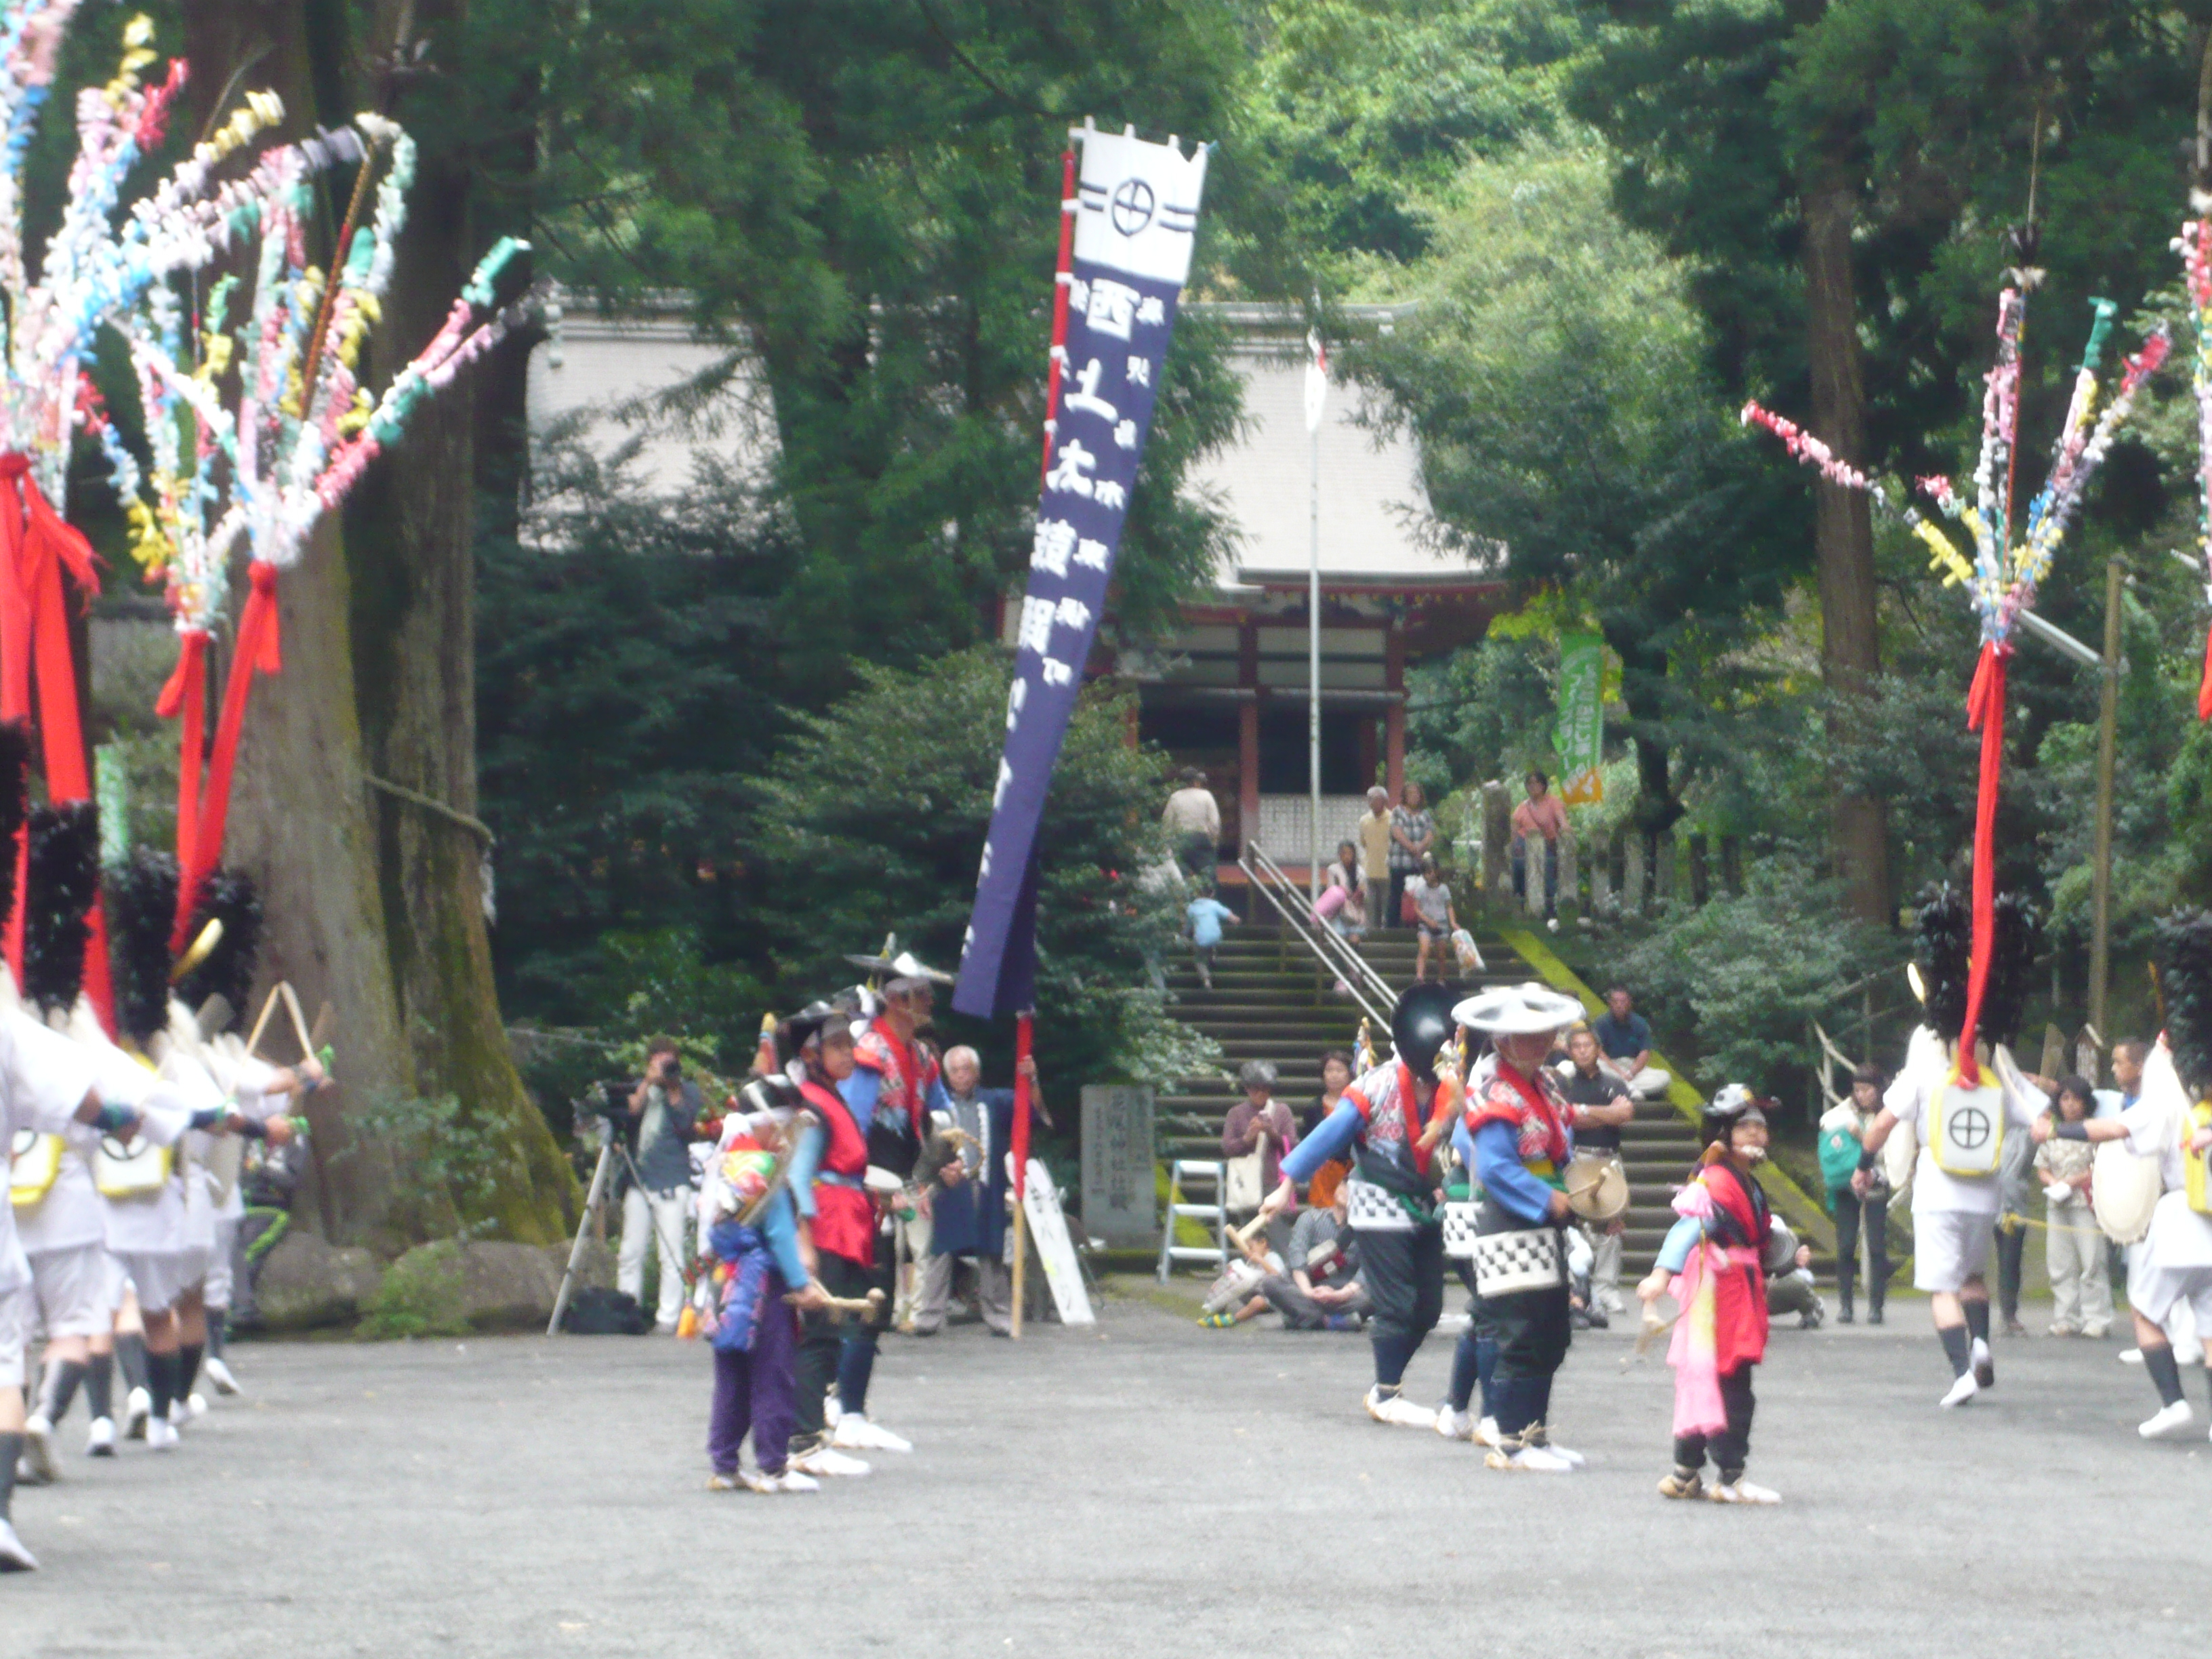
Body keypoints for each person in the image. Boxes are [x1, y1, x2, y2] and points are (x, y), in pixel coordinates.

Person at [1853, 887, 2047, 1409]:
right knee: (1974, 1276)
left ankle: (1962, 1370)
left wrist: (1865, 1165)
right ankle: (1983, 1342)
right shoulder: (1997, 1072)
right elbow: (2041, 1117)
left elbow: (1880, 1126)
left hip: (1938, 1189)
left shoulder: (1922, 1072)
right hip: (1985, 1192)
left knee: (1942, 1289)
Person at [1261, 983, 1462, 1428]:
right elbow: (1330, 1135)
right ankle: (1387, 1392)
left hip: (1427, 1202)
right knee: (1396, 1304)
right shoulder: (1377, 1082)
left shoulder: (1454, 1086)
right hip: (1377, 1200)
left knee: (1428, 1308)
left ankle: (1385, 1384)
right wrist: (1286, 1183)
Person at [2036, 1033, 2212, 1439]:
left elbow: (2113, 1129)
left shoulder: (2164, 1102)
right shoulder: (2202, 1108)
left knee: (2145, 1312)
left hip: (2182, 1216)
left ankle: (2173, 1402)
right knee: (2209, 1326)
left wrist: (2056, 1131)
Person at [1448, 981, 1591, 1472]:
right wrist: (1546, 1198)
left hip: (1548, 1218)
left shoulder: (1548, 1084)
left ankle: (1536, 1435)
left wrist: (1592, 1197)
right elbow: (1495, 1168)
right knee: (1518, 1333)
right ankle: (1510, 1442)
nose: (1541, 1040)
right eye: (1526, 1034)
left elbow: (1562, 1151)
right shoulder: (1493, 1089)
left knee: (1550, 1332)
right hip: (1510, 1221)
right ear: (1503, 1040)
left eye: (1545, 1032)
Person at [1640, 1086, 1805, 1504]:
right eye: (1745, 1127)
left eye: (1759, 1128)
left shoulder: (1743, 1180)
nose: (1755, 1135)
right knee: (1731, 1382)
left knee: (1707, 1376)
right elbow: (1686, 1231)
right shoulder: (1715, 1181)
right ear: (1725, 1132)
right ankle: (1730, 1477)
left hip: (1735, 1286)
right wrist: (1661, 1274)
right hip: (1722, 1293)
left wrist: (1784, 1252)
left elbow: (1758, 1238)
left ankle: (1685, 1472)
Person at [699, 1077, 830, 1494]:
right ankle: (772, 1467)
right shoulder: (763, 1171)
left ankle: (724, 1464)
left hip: (726, 1283)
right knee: (772, 1374)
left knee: (732, 1376)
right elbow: (778, 1234)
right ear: (769, 1126)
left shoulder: (727, 1162)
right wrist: (802, 1283)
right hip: (763, 1286)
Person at [834, 972, 943, 1453]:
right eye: (923, 995)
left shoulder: (922, 1058)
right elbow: (850, 1133)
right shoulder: (870, 1054)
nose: (931, 1002)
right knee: (868, 1296)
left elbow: (932, 1124)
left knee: (879, 1296)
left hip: (901, 1181)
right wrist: (881, 1190)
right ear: (898, 1002)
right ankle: (846, 1409)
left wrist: (947, 1163)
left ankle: (846, 1404)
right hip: (864, 1191)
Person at [781, 1004, 882, 1481]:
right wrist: (804, 1246)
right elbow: (798, 1178)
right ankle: (803, 1442)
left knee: (830, 1332)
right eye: (838, 1046)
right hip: (825, 1225)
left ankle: (809, 1435)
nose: (849, 1053)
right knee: (818, 1332)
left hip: (843, 1218)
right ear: (813, 1053)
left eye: (849, 1044)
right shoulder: (812, 1103)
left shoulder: (827, 1096)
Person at [914, 1046, 1021, 1337]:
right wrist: (926, 1185)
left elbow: (1027, 1107)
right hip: (947, 1185)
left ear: (977, 1072)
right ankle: (929, 1316)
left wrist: (1030, 1079)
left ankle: (999, 1316)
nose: (961, 1076)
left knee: (991, 1252)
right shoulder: (938, 1107)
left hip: (985, 1185)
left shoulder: (994, 1100)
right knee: (940, 1251)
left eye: (966, 1069)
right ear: (947, 1076)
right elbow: (923, 1151)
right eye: (955, 1070)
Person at [619, 1040, 701, 1332]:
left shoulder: (688, 1091)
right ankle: (627, 1313)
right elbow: (629, 1114)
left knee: (671, 1253)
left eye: (670, 1063)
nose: (665, 1069)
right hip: (639, 1180)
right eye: (659, 1063)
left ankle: (667, 1318)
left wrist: (673, 1088)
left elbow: (686, 1125)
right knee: (631, 1250)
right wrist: (647, 1083)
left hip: (672, 1180)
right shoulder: (641, 1088)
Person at [1557, 1026, 1635, 1319]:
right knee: (1572, 1225)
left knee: (1612, 1225)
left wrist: (1585, 1111)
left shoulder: (1615, 1083)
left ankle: (1607, 1290)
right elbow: (1567, 1118)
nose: (1582, 1050)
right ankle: (1576, 1289)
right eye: (1576, 1045)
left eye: (1587, 1045)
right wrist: (1605, 1114)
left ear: (1598, 1048)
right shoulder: (1562, 1084)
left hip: (1609, 1159)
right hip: (1576, 1158)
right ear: (1569, 1049)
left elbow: (1625, 1115)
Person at [2034, 1076, 2112, 1339]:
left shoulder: (2094, 1130)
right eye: (2065, 1098)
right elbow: (2042, 1167)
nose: (2071, 1105)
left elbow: (2100, 1165)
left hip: (2086, 1203)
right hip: (2057, 1202)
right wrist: (2055, 1182)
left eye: (2076, 1099)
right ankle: (2066, 1317)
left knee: (2092, 1261)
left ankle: (2097, 1318)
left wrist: (2073, 1181)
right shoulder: (2052, 1130)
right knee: (2060, 1262)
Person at [1818, 1065, 1891, 1324]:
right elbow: (1826, 1123)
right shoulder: (1846, 1110)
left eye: (1866, 1090)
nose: (1861, 1095)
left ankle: (1876, 1307)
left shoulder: (1889, 1114)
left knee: (1877, 1246)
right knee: (1846, 1245)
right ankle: (1846, 1306)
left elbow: (1891, 1156)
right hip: (1847, 1183)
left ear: (1879, 1089)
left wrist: (1864, 1138)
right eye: (1857, 1090)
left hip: (1877, 1182)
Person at [1258, 1191, 1368, 1330]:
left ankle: (1305, 1316)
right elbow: (1297, 1258)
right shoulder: (1309, 1218)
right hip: (1307, 1290)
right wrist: (1308, 1291)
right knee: (1270, 1283)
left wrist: (1339, 1295)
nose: (1349, 1190)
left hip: (1345, 1293)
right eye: (1345, 1184)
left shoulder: (1367, 1227)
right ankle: (1331, 1321)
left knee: (1374, 1294)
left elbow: (1368, 1268)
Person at [1222, 1062, 1298, 1235]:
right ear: (1247, 1089)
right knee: (1250, 1239)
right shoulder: (1236, 1113)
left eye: (1265, 1089)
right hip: (1248, 1183)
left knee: (1280, 1238)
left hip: (1275, 1182)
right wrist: (1248, 1138)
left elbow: (1292, 1144)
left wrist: (1271, 1132)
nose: (1260, 1094)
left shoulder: (1281, 1111)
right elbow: (1227, 1148)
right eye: (1255, 1089)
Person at [1509, 770, 1567, 928]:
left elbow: (1563, 822)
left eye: (1537, 783)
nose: (1533, 787)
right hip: (1524, 845)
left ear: (1543, 785)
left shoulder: (1553, 802)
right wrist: (1511, 848)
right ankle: (1522, 903)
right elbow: (1513, 832)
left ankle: (1550, 910)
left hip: (1546, 846)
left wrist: (1566, 834)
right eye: (1530, 783)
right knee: (1519, 867)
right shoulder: (1522, 807)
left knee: (1548, 874)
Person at [1593, 987, 1671, 1100]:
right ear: (1610, 1003)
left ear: (1629, 1002)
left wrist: (1631, 1073)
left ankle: (1623, 1088)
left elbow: (1645, 1052)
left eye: (1623, 1001)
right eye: (1615, 1002)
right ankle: (1629, 1089)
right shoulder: (1601, 1023)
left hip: (1633, 1067)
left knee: (1665, 1077)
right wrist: (1618, 1071)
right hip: (1611, 1065)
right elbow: (1598, 1051)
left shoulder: (1640, 1023)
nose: (1619, 1005)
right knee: (1597, 1067)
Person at [1302, 1051, 1355, 1212]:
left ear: (1349, 1074)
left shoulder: (1356, 1105)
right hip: (1322, 1173)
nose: (1334, 1075)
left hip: (1349, 1171)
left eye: (1339, 1070)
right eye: (1329, 1070)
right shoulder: (1314, 1107)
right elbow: (1306, 1141)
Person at [1387, 782, 1435, 928]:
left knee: (1421, 894)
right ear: (1405, 797)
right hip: (1400, 861)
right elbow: (1396, 832)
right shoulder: (1397, 812)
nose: (1414, 797)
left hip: (1419, 863)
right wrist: (1412, 847)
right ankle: (1392, 927)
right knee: (1396, 894)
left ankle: (1419, 923)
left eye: (1417, 794)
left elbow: (1430, 834)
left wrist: (1420, 847)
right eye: (1410, 794)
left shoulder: (1425, 814)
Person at [1162, 767, 1221, 881]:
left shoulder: (1175, 797)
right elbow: (1214, 824)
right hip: (1201, 839)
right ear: (1196, 781)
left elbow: (1167, 824)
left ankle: (1184, 897)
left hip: (1180, 841)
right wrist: (1213, 842)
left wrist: (1167, 846)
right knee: (1207, 877)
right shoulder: (1206, 796)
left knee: (1181, 877)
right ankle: (1208, 896)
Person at [1405, 853, 1456, 983]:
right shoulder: (1421, 890)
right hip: (1425, 925)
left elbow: (1449, 906)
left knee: (1441, 954)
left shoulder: (1444, 889)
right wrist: (1427, 920)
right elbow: (1417, 908)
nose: (1430, 875)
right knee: (1424, 950)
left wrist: (1453, 922)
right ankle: (1420, 976)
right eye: (1426, 873)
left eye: (1432, 872)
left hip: (1441, 924)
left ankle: (1441, 977)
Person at [1187, 885, 1236, 990]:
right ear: (1212, 894)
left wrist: (1184, 934)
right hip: (1216, 936)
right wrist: (1236, 919)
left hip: (1201, 939)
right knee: (1210, 942)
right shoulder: (1214, 905)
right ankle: (1212, 957)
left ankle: (1206, 979)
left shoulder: (1192, 907)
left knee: (1199, 959)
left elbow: (1188, 926)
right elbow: (1229, 916)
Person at [1357, 786, 1392, 927]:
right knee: (1371, 908)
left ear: (1384, 801)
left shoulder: (1393, 818)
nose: (1372, 802)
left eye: (1376, 799)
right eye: (1370, 799)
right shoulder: (1364, 820)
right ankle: (1372, 937)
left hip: (1388, 871)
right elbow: (1363, 843)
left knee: (1387, 907)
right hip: (1370, 871)